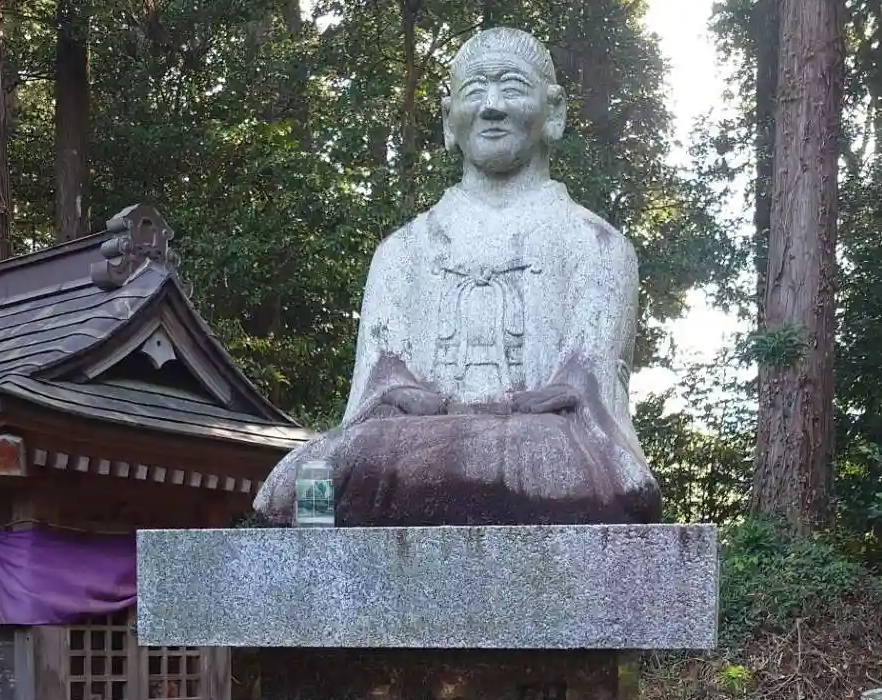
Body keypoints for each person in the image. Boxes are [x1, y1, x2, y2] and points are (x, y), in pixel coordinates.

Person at [254, 26, 662, 525]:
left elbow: (589, 386)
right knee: (315, 473)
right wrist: (396, 392)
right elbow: (376, 382)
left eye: (512, 87)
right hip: (407, 438)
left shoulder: (598, 245)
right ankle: (460, 488)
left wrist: (557, 395)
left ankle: (451, 488)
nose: (492, 107)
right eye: (475, 91)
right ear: (449, 119)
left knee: (556, 459)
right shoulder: (402, 251)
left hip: (544, 440)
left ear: (553, 112)